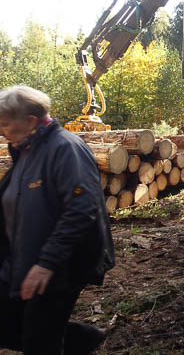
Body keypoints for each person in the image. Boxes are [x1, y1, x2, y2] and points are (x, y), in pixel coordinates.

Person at [0, 86, 115, 354]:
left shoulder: (65, 149)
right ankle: (79, 339)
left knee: (39, 341)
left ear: (30, 121)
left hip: (58, 266)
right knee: (13, 324)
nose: (1, 130)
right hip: (21, 259)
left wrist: (46, 264)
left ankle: (70, 339)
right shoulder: (26, 149)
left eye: (5, 124)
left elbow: (81, 209)